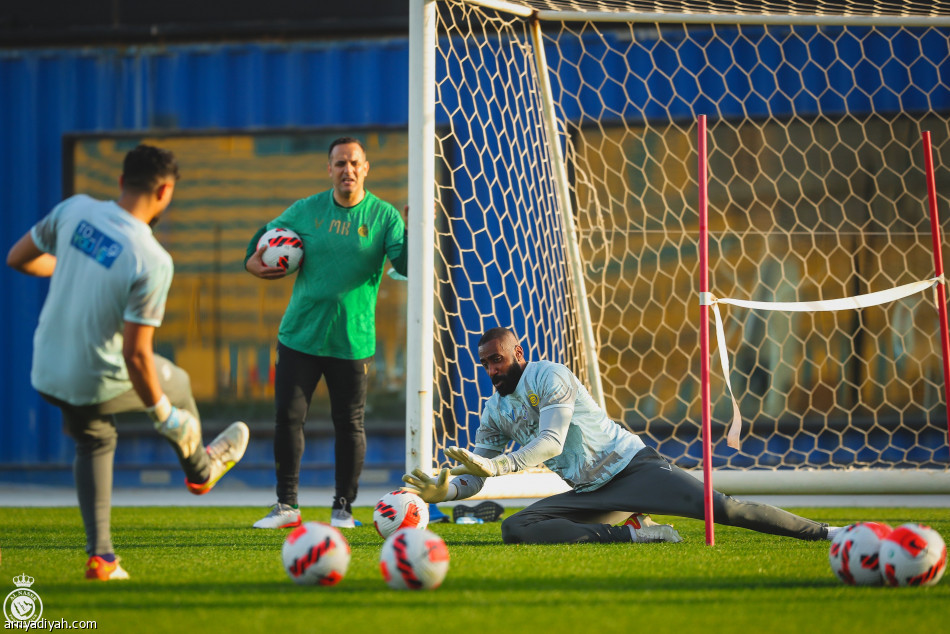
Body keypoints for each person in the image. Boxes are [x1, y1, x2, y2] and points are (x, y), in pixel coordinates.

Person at [6, 144, 250, 580]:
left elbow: (17, 257)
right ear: (165, 192)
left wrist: (77, 267)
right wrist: (165, 416)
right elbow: (136, 355)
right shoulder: (152, 259)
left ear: (120, 180)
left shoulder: (74, 210)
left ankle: (102, 557)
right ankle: (201, 470)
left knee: (95, 440)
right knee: (179, 382)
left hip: (46, 370)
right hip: (94, 378)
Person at [403, 326, 843, 545]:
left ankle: (829, 533)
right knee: (516, 527)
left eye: (497, 359)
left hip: (634, 469)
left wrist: (497, 466)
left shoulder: (549, 375)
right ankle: (639, 533)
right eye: (485, 364)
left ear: (518, 352)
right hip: (593, 494)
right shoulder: (494, 410)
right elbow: (477, 472)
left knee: (724, 509)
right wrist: (450, 490)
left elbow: (550, 442)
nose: (491, 370)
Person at [245, 137, 408, 530]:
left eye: (354, 163)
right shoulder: (307, 209)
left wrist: (417, 230)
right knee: (288, 420)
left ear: (365, 168)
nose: (347, 170)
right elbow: (263, 235)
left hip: (352, 342)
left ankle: (343, 510)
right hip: (299, 336)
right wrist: (251, 261)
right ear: (329, 169)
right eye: (339, 163)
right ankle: (286, 506)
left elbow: (406, 265)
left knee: (349, 425)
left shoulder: (385, 216)